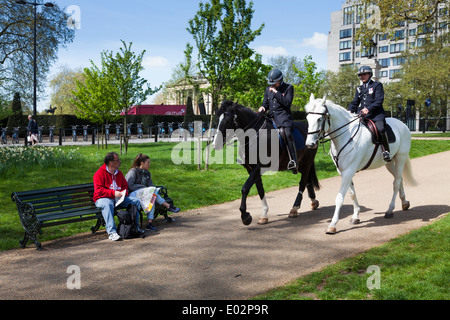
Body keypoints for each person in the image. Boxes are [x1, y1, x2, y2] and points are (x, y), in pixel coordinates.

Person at [93, 152, 142, 241]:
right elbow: (99, 191)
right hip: (102, 198)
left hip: (118, 198)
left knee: (135, 201)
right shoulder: (99, 173)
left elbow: (124, 186)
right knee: (107, 204)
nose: (119, 161)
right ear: (111, 162)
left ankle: (135, 227)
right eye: (117, 160)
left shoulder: (118, 173)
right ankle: (112, 232)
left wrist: (123, 193)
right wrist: (113, 193)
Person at [125, 153, 180, 232]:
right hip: (132, 195)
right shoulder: (133, 172)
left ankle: (149, 223)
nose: (149, 165)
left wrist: (150, 189)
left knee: (152, 196)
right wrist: (145, 188)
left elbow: (151, 186)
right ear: (142, 163)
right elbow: (129, 185)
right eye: (148, 163)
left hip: (145, 194)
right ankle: (168, 206)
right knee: (151, 194)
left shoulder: (147, 173)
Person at [348, 66, 391, 162]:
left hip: (376, 114)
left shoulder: (377, 85)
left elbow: (379, 101)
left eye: (364, 74)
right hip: (362, 115)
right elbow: (355, 102)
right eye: (360, 75)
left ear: (369, 75)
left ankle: (386, 151)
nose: (362, 76)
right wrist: (350, 111)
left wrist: (368, 109)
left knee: (381, 129)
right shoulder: (359, 88)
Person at [258, 68, 297, 173]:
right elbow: (265, 103)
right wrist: (262, 108)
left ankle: (294, 160)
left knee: (287, 133)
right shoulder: (267, 89)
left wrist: (276, 92)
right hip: (271, 118)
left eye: (274, 83)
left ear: (280, 80)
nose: (272, 85)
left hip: (284, 118)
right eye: (271, 83)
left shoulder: (289, 88)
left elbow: (287, 103)